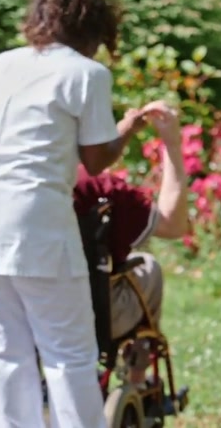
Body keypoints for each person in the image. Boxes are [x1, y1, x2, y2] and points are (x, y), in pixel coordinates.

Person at [0, 0, 166, 428]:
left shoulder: (5, 63)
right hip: (35, 224)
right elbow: (97, 160)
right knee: (68, 355)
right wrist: (130, 126)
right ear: (94, 23)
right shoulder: (87, 74)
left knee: (4, 357)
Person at [72, 103, 190, 389]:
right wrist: (172, 144)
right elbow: (174, 225)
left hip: (18, 311)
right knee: (149, 268)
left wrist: (125, 128)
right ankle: (137, 382)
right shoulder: (99, 189)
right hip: (88, 316)